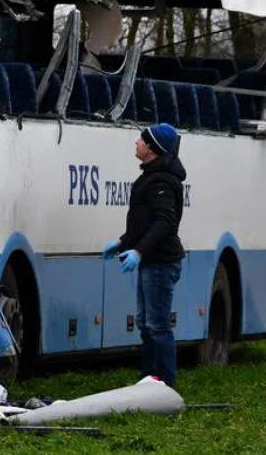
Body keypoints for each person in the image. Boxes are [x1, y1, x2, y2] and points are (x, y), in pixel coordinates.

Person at [103, 123, 186, 386]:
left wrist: (139, 251)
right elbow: (142, 222)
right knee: (145, 322)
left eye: (141, 139)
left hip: (160, 261)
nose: (136, 142)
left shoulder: (160, 180)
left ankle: (163, 381)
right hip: (151, 260)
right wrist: (121, 242)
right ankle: (149, 378)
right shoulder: (151, 176)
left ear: (152, 148)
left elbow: (164, 221)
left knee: (158, 324)